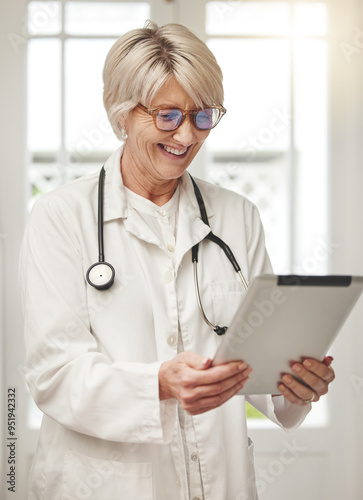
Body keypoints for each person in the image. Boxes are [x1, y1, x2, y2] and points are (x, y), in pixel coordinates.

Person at [20, 21, 335, 500]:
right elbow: (55, 374)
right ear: (123, 114)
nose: (187, 136)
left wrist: (292, 385)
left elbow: (253, 358)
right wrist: (158, 384)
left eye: (203, 116)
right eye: (168, 115)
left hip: (220, 481)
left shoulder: (237, 217)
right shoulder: (61, 217)